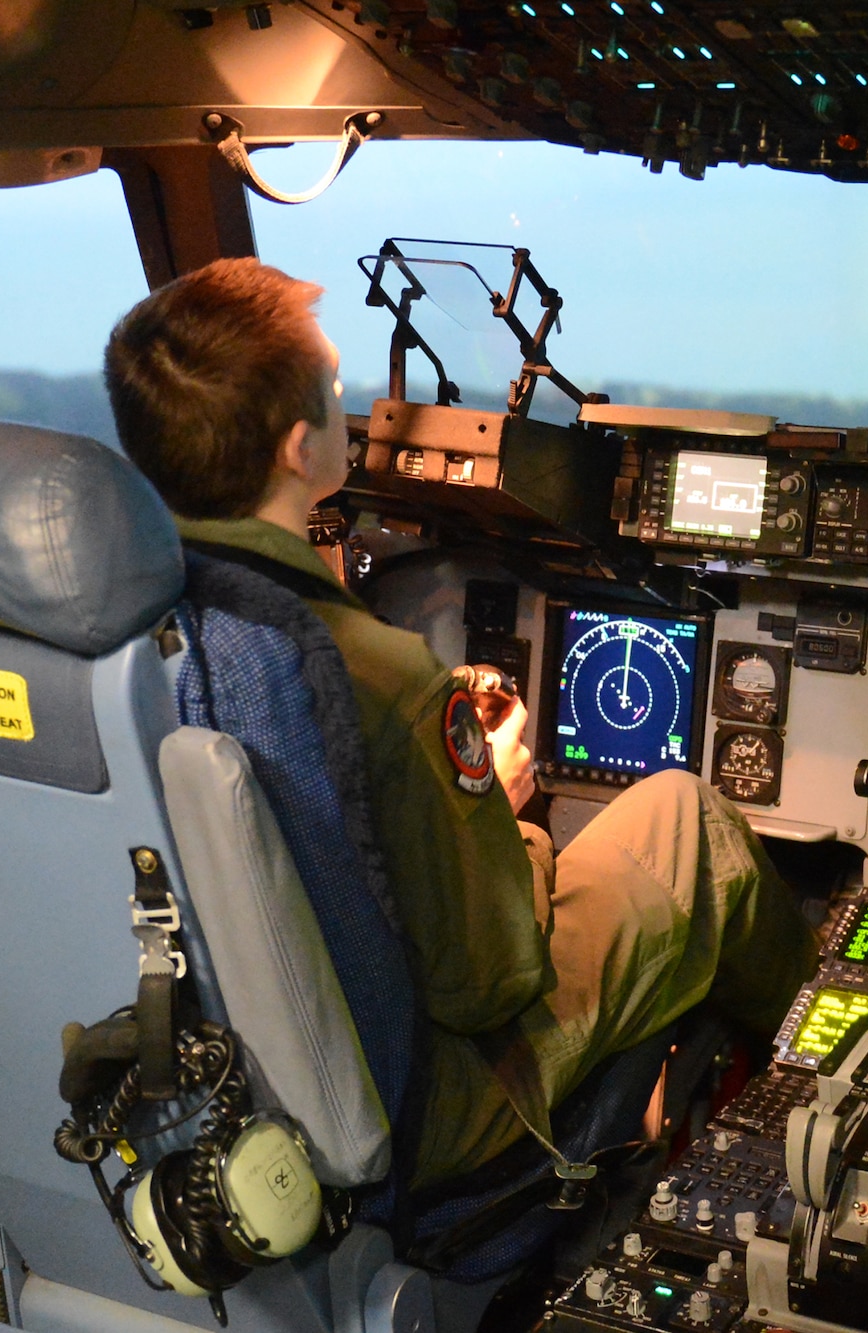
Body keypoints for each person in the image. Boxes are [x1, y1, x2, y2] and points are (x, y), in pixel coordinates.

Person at [103, 258, 817, 1188]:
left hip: (236, 1069)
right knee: (685, 818)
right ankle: (819, 1082)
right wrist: (514, 814)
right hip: (431, 1096)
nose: (345, 398)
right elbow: (492, 980)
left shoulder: (151, 635)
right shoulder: (380, 673)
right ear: (294, 448)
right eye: (330, 385)